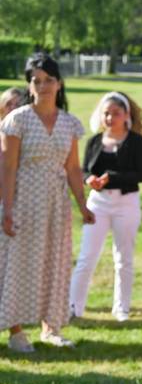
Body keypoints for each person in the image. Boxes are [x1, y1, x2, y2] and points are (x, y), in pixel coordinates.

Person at [0, 55, 95, 352]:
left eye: (48, 80)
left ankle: (50, 328)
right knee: (18, 262)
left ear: (59, 84)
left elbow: (73, 169)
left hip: (56, 204)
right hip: (24, 199)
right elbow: (8, 167)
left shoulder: (69, 123)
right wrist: (8, 207)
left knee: (54, 262)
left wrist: (82, 204)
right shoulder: (17, 119)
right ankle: (15, 331)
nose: (42, 86)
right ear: (29, 86)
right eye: (36, 80)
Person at [69, 92, 142, 322]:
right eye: (106, 113)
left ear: (126, 116)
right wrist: (89, 180)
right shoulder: (95, 141)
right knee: (87, 256)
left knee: (123, 258)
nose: (110, 118)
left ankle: (121, 308)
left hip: (126, 202)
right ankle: (74, 306)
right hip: (99, 203)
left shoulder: (135, 141)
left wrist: (111, 177)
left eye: (116, 113)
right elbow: (84, 169)